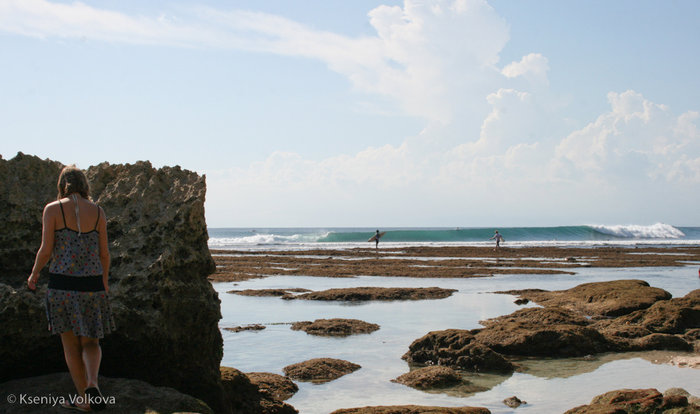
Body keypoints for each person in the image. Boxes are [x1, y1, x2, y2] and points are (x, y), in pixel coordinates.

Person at [27, 165, 115, 412]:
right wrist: (104, 281)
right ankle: (93, 382)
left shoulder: (53, 210)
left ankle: (84, 400)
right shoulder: (98, 212)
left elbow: (46, 250)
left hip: (62, 285)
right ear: (85, 185)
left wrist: (34, 274)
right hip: (92, 284)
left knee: (70, 346)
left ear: (61, 185)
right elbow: (104, 253)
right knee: (91, 342)